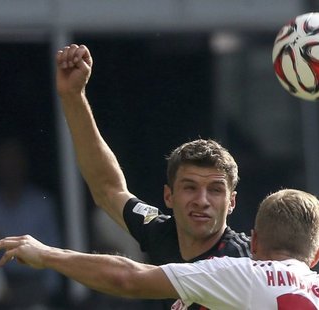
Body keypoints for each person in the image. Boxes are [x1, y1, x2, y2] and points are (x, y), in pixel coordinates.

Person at [55, 44, 250, 307]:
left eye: (215, 190)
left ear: (232, 202)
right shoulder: (162, 231)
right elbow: (107, 189)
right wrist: (72, 95)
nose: (202, 200)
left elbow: (126, 279)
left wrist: (45, 255)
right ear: (168, 196)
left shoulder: (242, 260)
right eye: (190, 187)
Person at [0, 189, 319, 309]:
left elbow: (128, 277)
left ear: (252, 242)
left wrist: (48, 254)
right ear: (317, 255)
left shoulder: (238, 273)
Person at [0, 137, 62, 309]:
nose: (9, 166)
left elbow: (55, 250)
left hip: (33, 285)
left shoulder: (42, 204)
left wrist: (49, 293)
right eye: (4, 159)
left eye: (14, 159)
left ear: (24, 163)